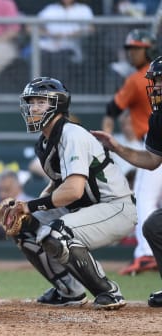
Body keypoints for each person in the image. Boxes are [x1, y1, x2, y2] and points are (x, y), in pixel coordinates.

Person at [0, 77, 137, 310]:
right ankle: (69, 290)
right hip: (88, 207)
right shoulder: (45, 141)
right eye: (31, 102)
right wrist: (26, 208)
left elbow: (73, 190)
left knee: (58, 233)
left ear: (58, 105)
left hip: (116, 207)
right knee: (24, 224)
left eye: (41, 102)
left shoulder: (71, 134)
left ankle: (108, 291)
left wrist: (30, 205)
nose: (33, 107)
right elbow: (57, 186)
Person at [92, 55, 162, 307]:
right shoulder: (158, 118)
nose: (155, 87)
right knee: (154, 225)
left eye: (160, 81)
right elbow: (152, 160)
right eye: (154, 82)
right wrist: (117, 147)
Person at [103, 28, 160, 276]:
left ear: (148, 49)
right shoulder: (143, 81)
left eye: (137, 48)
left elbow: (111, 109)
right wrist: (113, 143)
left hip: (152, 143)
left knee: (145, 199)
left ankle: (146, 254)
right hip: (151, 144)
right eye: (130, 49)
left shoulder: (136, 79)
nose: (132, 53)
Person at [34, 0, 95, 87]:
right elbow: (30, 27)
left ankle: (58, 90)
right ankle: (40, 89)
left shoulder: (83, 9)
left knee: (58, 59)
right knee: (39, 56)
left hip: (71, 47)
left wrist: (75, 34)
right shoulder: (50, 9)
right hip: (48, 46)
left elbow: (91, 29)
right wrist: (50, 34)